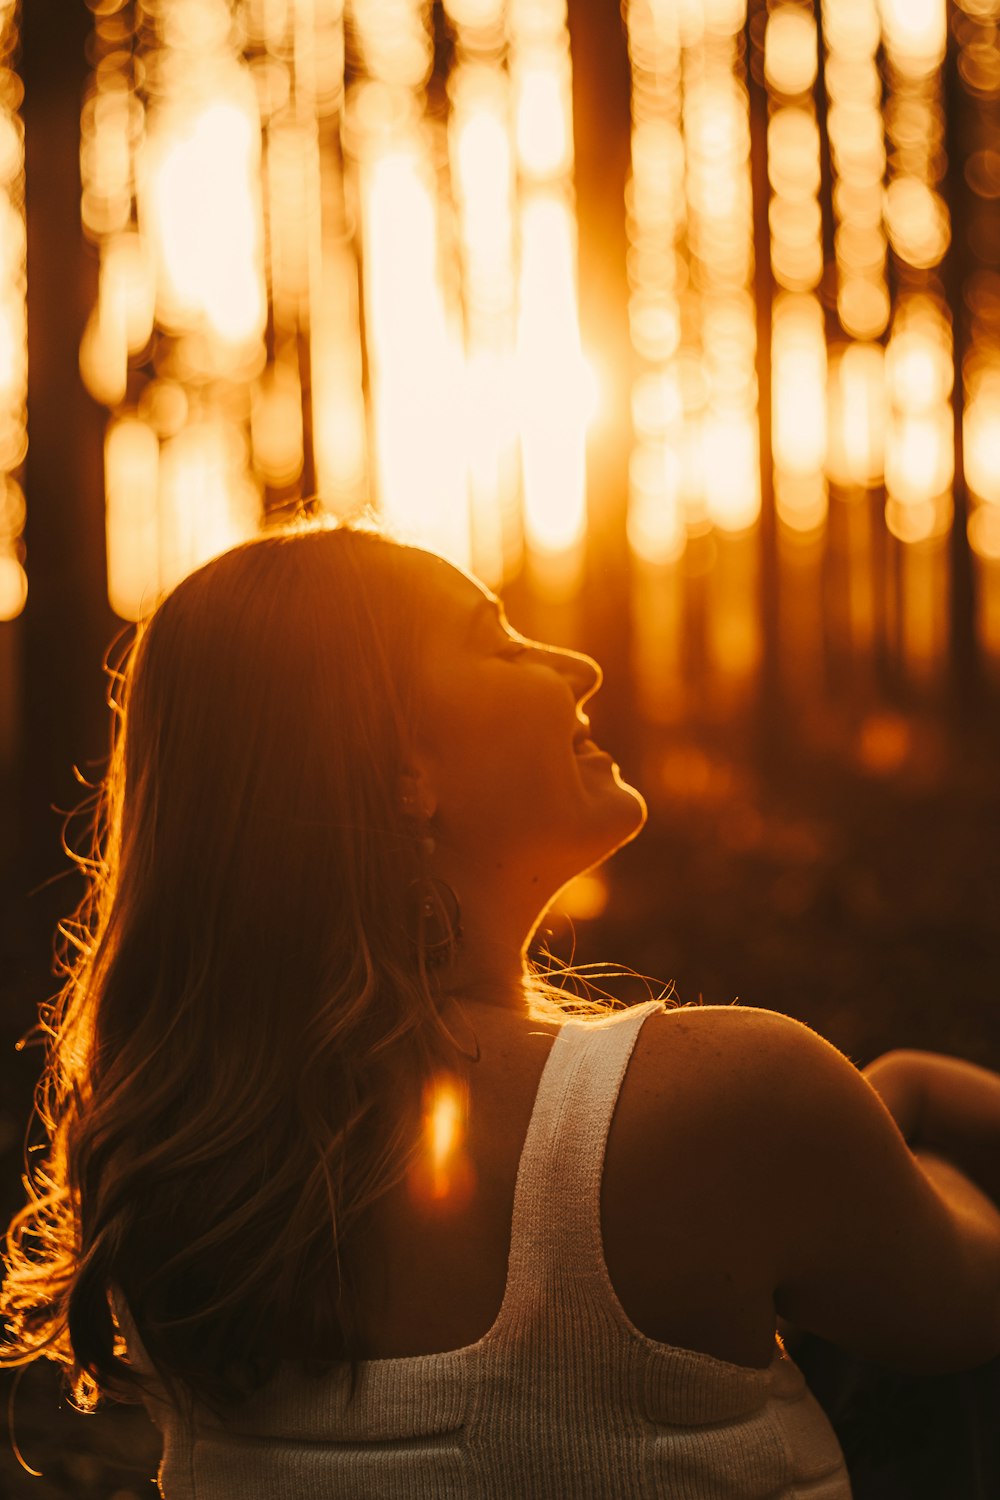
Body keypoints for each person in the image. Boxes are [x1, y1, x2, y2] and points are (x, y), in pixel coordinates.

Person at [2, 516, 1000, 1500]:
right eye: (499, 639)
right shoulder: (723, 1098)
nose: (578, 665)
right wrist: (913, 1108)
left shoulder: (168, 1165)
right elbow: (969, 1303)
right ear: (402, 769)